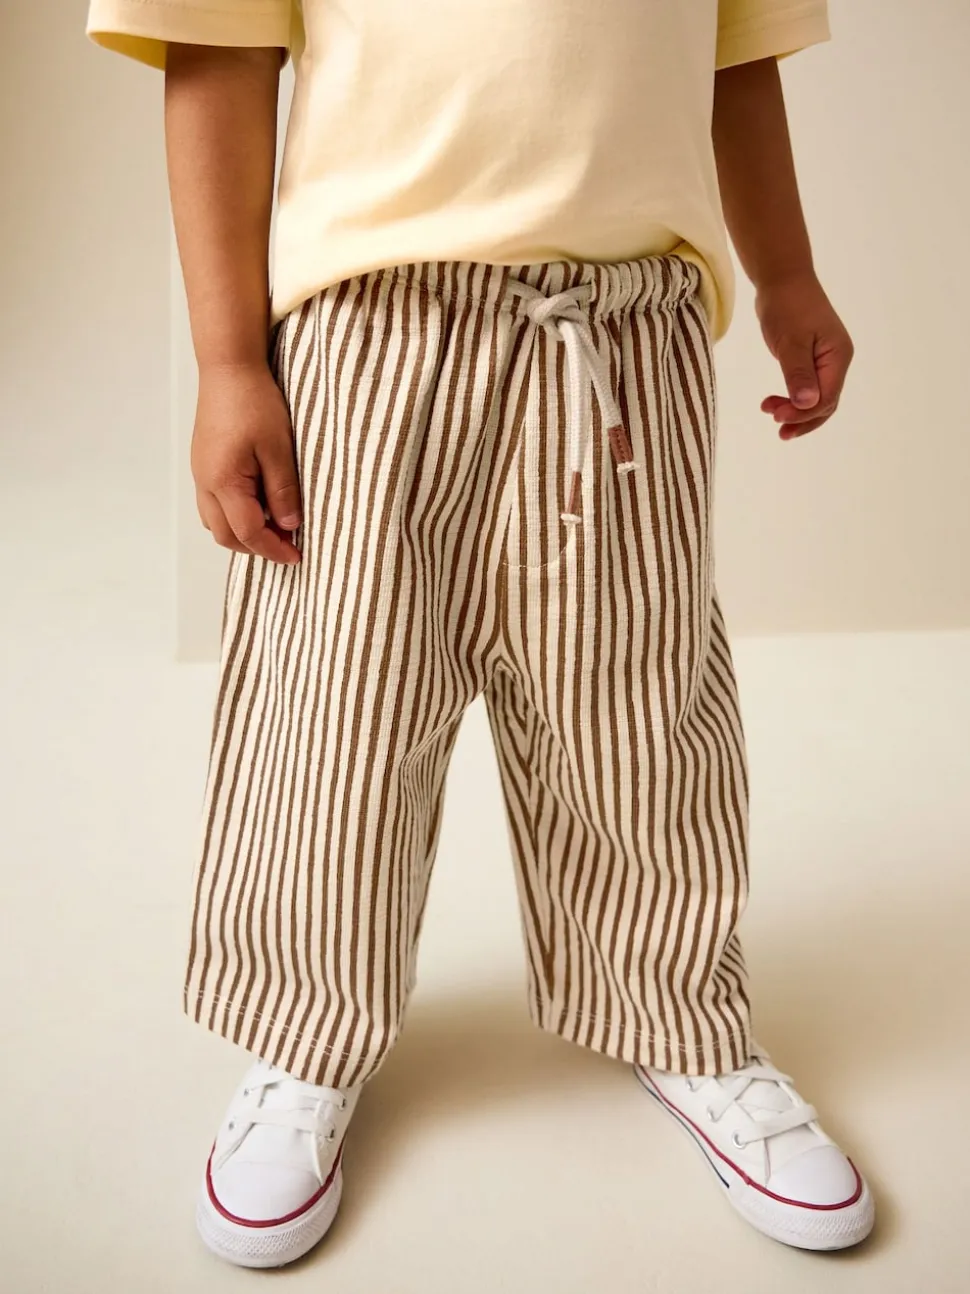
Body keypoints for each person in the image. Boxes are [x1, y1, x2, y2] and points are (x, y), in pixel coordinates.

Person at [87, 0, 873, 1269]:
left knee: (636, 718)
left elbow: (733, 57)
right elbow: (217, 51)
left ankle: (676, 1013)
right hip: (372, 331)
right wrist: (229, 361)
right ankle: (304, 1035)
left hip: (626, 333)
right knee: (340, 715)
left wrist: (785, 275)